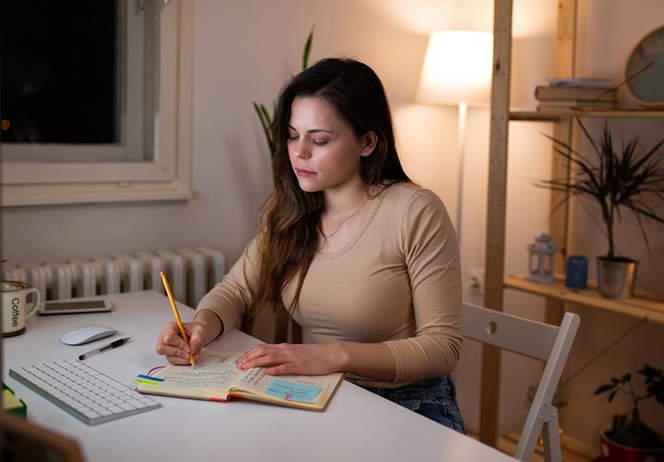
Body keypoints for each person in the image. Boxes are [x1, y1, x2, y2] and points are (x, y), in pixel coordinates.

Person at [155, 57, 465, 433]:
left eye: (319, 140)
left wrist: (333, 355)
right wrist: (202, 326)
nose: (299, 152)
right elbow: (236, 290)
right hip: (324, 394)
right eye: (291, 135)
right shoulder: (290, 209)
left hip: (408, 404)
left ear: (367, 142)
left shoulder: (415, 211)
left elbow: (442, 347)